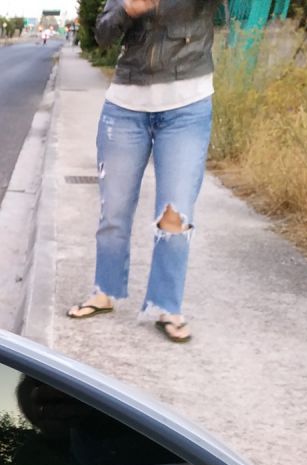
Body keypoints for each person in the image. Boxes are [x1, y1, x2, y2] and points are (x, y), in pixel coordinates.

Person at [66, 0, 217, 343]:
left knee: (175, 214)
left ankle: (167, 306)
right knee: (113, 211)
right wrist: (128, 10)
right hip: (124, 107)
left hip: (186, 107)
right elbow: (103, 34)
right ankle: (104, 292)